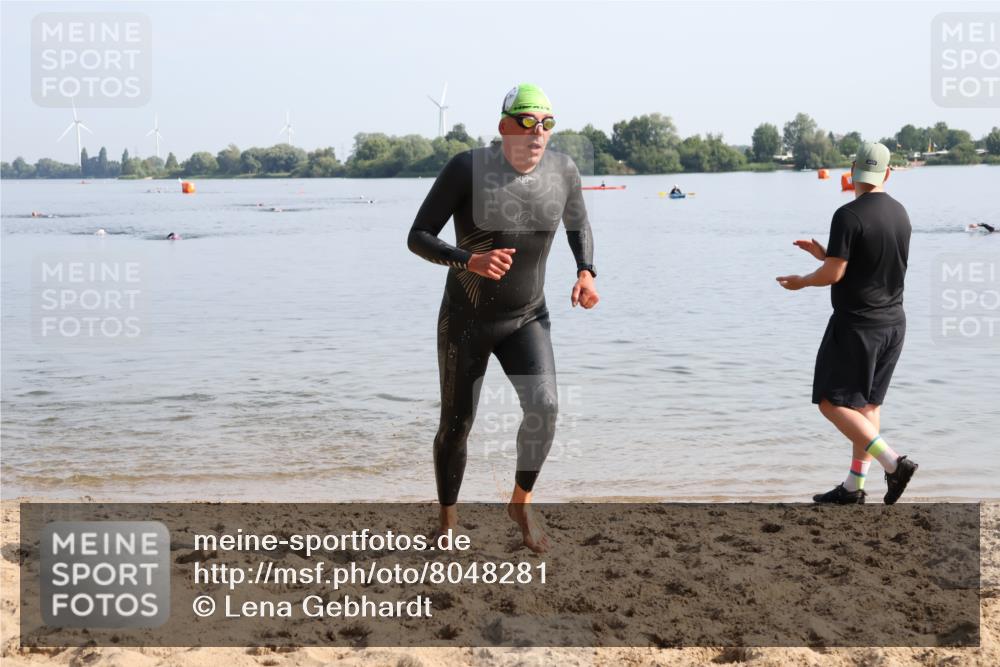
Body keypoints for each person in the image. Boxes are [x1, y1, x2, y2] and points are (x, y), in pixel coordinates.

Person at [408, 83, 599, 551]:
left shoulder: (563, 170)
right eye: (528, 122)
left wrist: (586, 272)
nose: (538, 133)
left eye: (547, 124)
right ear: (504, 126)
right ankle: (448, 522)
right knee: (457, 424)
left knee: (546, 408)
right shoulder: (467, 168)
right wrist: (466, 260)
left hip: (527, 316)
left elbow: (579, 225)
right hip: (466, 318)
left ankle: (521, 503)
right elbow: (417, 236)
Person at [777, 141, 917, 505]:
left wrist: (805, 278)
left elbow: (835, 275)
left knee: (830, 400)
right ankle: (855, 486)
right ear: (887, 173)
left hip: (857, 324)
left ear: (854, 169)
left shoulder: (848, 214)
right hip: (894, 323)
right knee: (868, 405)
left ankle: (893, 463)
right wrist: (828, 254)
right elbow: (868, 263)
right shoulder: (901, 214)